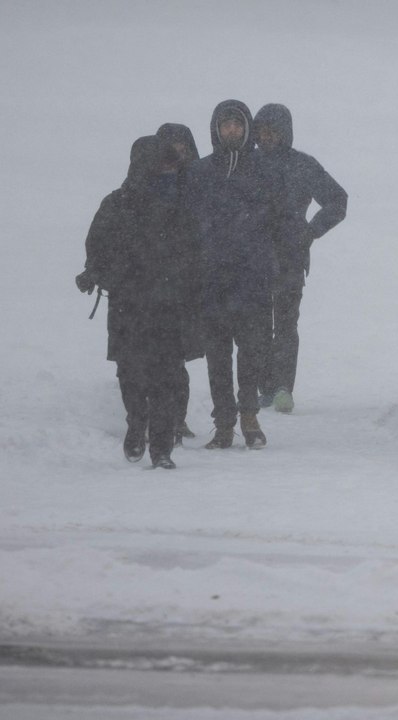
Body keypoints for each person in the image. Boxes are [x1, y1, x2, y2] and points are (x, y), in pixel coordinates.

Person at [76, 135, 200, 469]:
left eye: (173, 163)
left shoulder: (182, 204)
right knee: (129, 372)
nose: (171, 169)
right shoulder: (117, 203)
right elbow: (97, 245)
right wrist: (93, 273)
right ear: (145, 164)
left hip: (168, 304)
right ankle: (136, 421)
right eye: (165, 162)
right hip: (128, 304)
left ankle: (161, 448)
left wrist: (192, 282)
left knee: (166, 375)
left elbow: (197, 249)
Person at [187, 99, 276, 449]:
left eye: (238, 124)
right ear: (216, 129)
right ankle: (224, 423)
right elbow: (188, 223)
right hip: (211, 281)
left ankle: (250, 416)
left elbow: (279, 218)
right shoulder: (200, 172)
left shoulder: (264, 169)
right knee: (217, 357)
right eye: (226, 125)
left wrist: (276, 261)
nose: (232, 131)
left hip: (252, 279)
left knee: (251, 353)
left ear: (247, 128)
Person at [253, 103, 347, 413]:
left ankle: (282, 389)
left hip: (289, 257)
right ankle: (264, 387)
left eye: (273, 131)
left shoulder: (303, 165)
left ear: (285, 133)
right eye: (262, 131)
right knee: (256, 324)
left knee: (285, 323)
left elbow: (337, 200)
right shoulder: (245, 164)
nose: (267, 137)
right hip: (250, 258)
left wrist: (309, 233)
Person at [155, 122, 202, 443]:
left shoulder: (199, 183)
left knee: (175, 357)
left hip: (187, 281)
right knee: (153, 357)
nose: (177, 150)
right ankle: (153, 418)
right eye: (171, 144)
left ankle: (176, 420)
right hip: (152, 281)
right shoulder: (145, 182)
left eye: (182, 144)